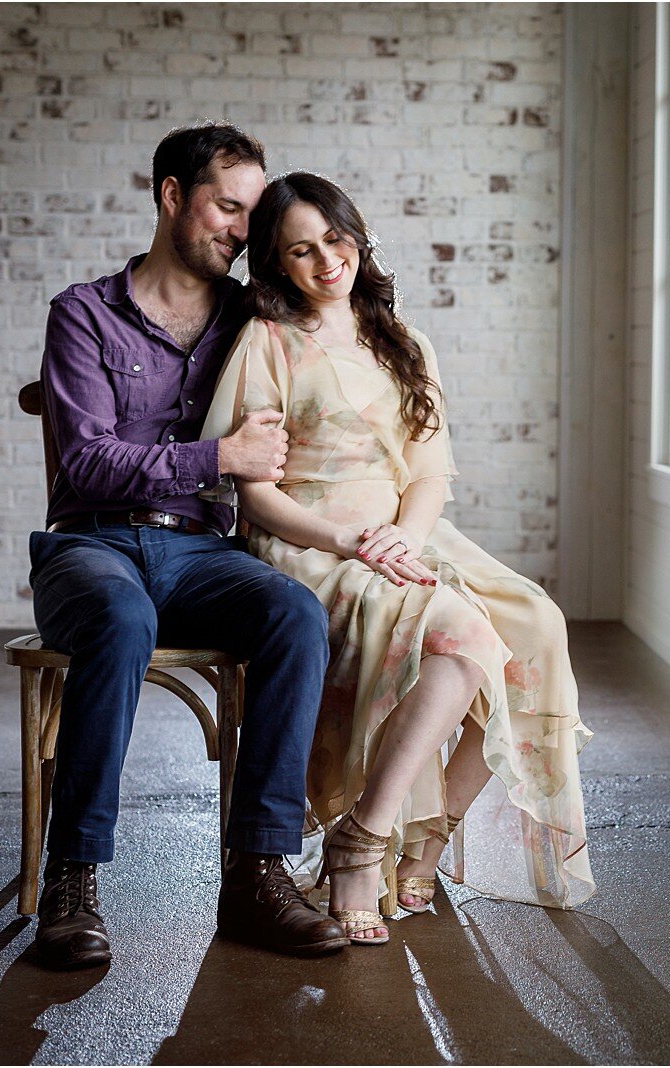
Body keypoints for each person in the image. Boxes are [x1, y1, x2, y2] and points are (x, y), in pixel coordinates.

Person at [200, 172, 594, 945]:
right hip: (311, 540)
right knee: (463, 636)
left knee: (537, 627)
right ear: (276, 264)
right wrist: (351, 542)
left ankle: (430, 835)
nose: (326, 263)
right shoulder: (269, 341)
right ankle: (363, 842)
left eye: (336, 241)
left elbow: (427, 475)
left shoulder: (404, 342)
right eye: (301, 252)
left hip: (406, 531)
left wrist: (405, 539)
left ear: (359, 236)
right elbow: (256, 495)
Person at [30, 125, 348, 969]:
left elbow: (345, 356)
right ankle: (72, 882)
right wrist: (218, 457)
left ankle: (256, 874)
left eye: (252, 213)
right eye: (226, 206)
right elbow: (87, 462)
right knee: (121, 614)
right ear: (172, 194)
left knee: (292, 611)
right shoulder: (84, 314)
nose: (242, 231)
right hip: (90, 548)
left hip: (203, 553)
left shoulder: (255, 318)